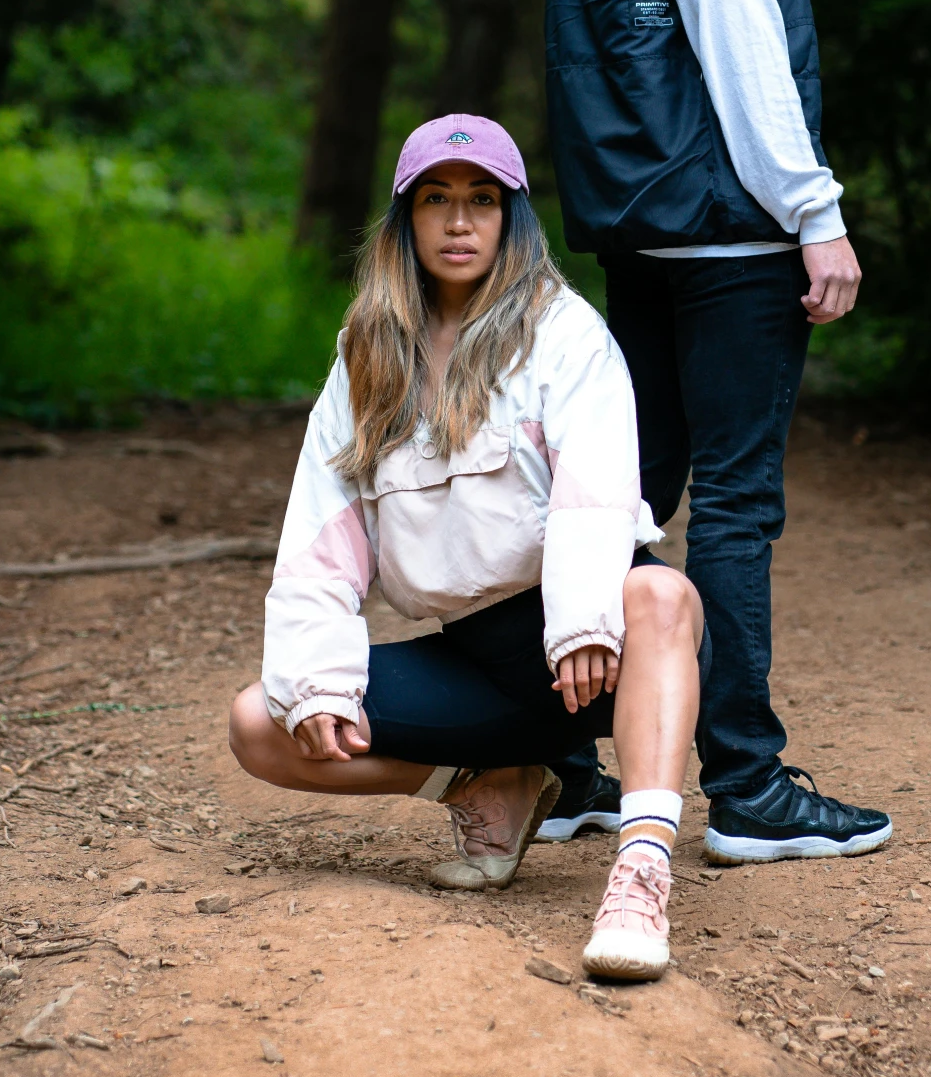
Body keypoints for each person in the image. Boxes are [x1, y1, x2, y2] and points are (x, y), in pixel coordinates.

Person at [542, 0, 892, 864]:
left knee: (622, 506)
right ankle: (745, 785)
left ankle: (565, 763)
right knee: (732, 512)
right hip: (732, 241)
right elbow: (744, 58)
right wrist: (816, 209)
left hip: (644, 234)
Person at [228, 114, 706, 980]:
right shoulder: (367, 353)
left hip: (591, 648)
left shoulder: (563, 334)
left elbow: (593, 495)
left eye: (481, 201)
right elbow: (319, 534)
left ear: (510, 217)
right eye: (436, 201)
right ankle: (489, 784)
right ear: (404, 220)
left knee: (664, 597)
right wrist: (320, 680)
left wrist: (582, 622)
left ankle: (640, 873)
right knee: (263, 722)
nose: (458, 222)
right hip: (476, 660)